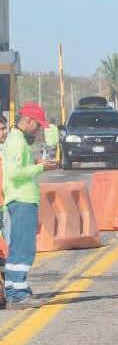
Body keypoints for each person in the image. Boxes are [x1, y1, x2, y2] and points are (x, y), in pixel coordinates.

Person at [4, 103, 57, 308]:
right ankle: (17, 294)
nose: (38, 129)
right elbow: (15, 173)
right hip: (21, 200)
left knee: (20, 247)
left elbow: (19, 167)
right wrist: (40, 168)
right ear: (27, 121)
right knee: (23, 248)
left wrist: (35, 163)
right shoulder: (17, 142)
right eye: (37, 125)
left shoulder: (18, 140)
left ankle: (17, 289)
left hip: (23, 199)